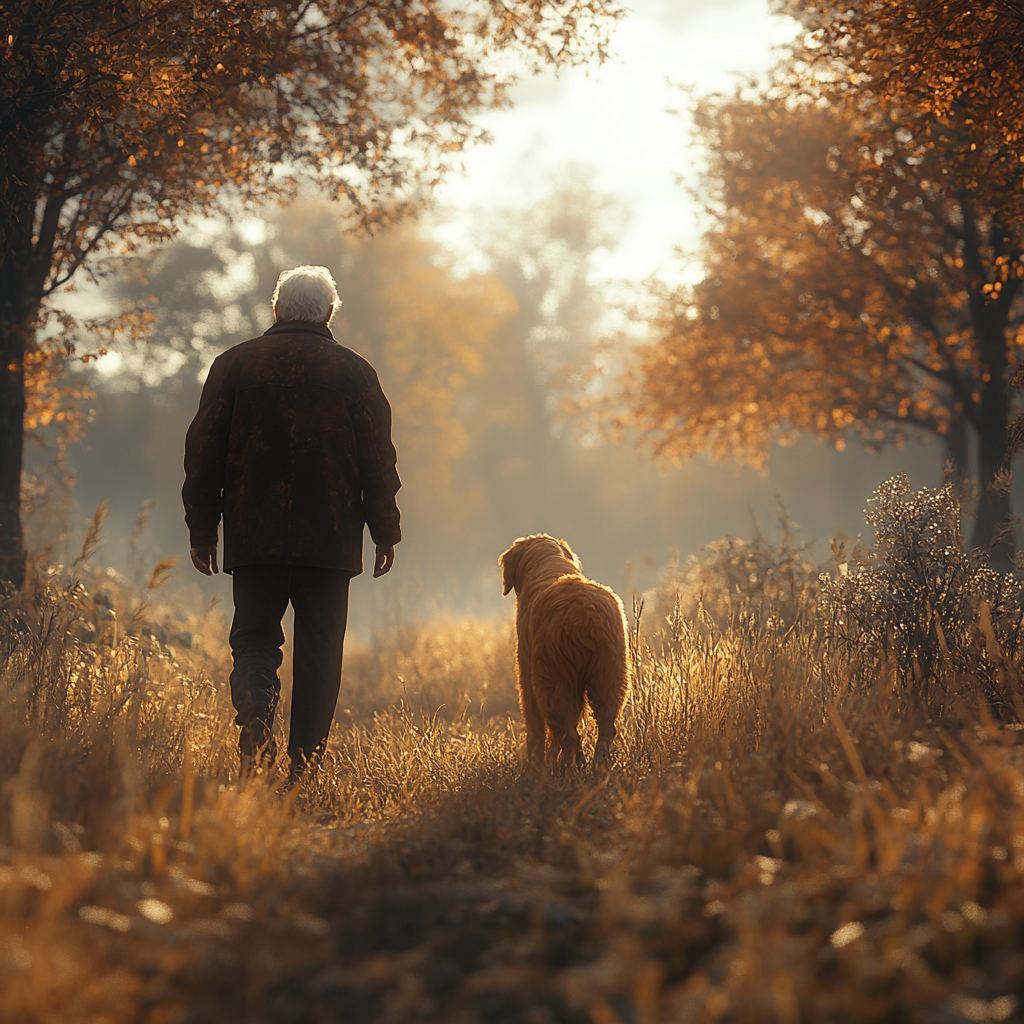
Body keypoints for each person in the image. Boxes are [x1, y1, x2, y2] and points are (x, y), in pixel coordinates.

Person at [182, 265, 401, 784]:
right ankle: (303, 767)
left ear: (277, 309)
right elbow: (378, 459)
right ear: (328, 313)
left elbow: (202, 453)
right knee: (321, 649)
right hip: (329, 539)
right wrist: (385, 529)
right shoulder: (354, 372)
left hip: (252, 536)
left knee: (255, 638)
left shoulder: (233, 366)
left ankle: (256, 717)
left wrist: (202, 528)